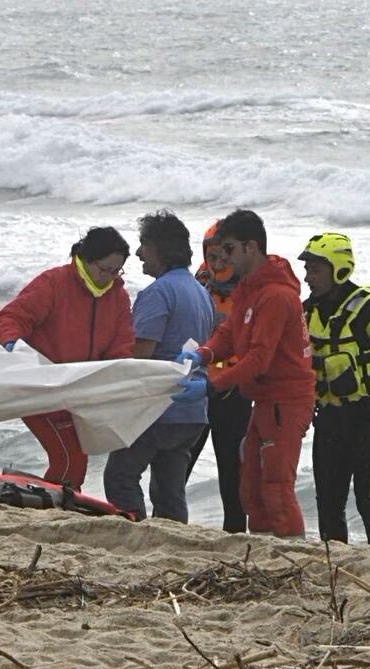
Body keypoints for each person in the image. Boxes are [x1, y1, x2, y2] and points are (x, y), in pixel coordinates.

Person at [174, 210, 315, 538]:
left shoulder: (277, 296)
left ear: (251, 248)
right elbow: (230, 333)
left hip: (285, 400)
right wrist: (202, 354)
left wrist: (210, 386)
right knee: (249, 485)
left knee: (277, 487)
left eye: (230, 250)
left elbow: (258, 358)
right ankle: (265, 548)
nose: (223, 258)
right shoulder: (249, 288)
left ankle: (291, 551)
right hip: (263, 400)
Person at [0, 227, 135, 490]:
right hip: (39, 388)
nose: (110, 278)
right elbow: (11, 318)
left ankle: (49, 496)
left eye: (117, 271)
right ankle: (56, 505)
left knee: (75, 457)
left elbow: (121, 345)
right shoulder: (54, 283)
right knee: (70, 457)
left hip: (78, 392)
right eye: (105, 270)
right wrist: (12, 344)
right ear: (87, 259)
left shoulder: (118, 296)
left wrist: (118, 377)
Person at [299, 232, 370, 545]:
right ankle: (336, 571)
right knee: (328, 506)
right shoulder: (308, 312)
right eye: (307, 269)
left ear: (339, 268)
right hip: (332, 421)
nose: (307, 277)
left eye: (315, 269)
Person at [102, 210, 214, 523]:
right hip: (192, 410)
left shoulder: (158, 292)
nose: (138, 253)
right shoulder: (200, 293)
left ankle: (133, 533)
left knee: (120, 477)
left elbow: (142, 353)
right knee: (170, 490)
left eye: (144, 245)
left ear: (161, 249)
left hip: (158, 409)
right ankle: (172, 540)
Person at [185, 221, 251, 533]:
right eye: (213, 256)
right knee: (177, 467)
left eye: (226, 255)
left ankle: (235, 536)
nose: (219, 264)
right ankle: (167, 527)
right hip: (197, 388)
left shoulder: (254, 287)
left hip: (234, 392)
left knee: (233, 474)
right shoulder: (198, 282)